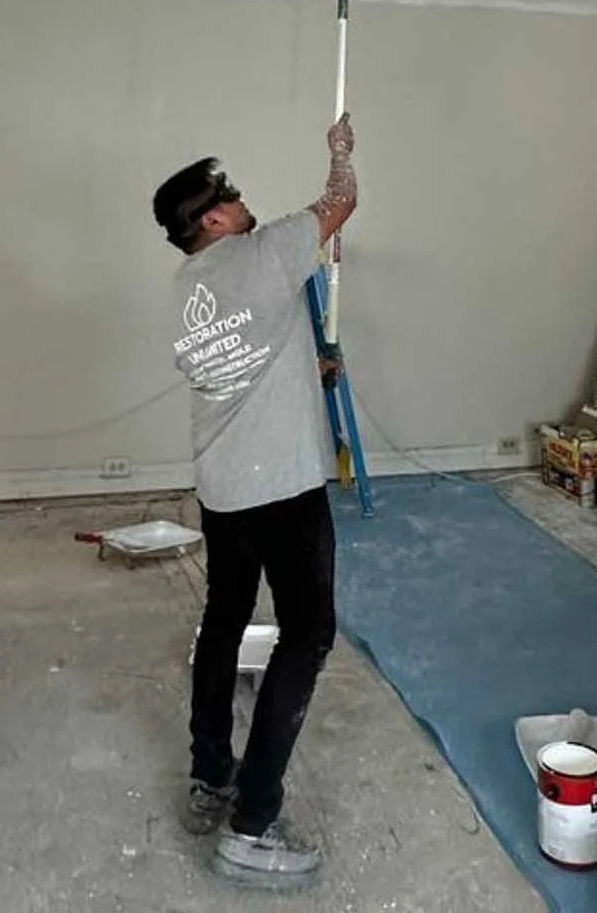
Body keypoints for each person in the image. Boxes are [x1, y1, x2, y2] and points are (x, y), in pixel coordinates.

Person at [153, 115, 357, 891]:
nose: (243, 203)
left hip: (223, 487)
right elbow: (343, 200)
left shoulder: (185, 286)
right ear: (211, 219)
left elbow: (246, 354)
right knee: (306, 634)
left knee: (226, 619)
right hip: (284, 488)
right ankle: (252, 823)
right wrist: (340, 149)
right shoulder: (263, 252)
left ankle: (211, 776)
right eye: (231, 198)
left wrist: (314, 368)